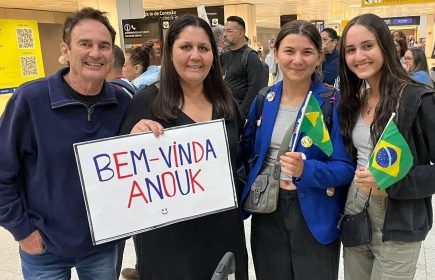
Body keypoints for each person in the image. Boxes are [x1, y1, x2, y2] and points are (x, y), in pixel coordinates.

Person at [0, 7, 131, 279]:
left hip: (102, 246)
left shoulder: (123, 103)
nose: (95, 53)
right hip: (44, 247)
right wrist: (22, 230)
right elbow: (2, 173)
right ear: (66, 50)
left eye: (104, 46)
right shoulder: (30, 101)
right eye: (85, 44)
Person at [119, 14, 248, 280]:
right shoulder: (147, 103)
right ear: (170, 52)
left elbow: (244, 152)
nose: (195, 56)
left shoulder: (225, 102)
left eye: (203, 48)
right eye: (186, 47)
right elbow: (123, 179)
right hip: (168, 238)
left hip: (221, 229)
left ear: (214, 54)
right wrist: (131, 141)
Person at [240, 20, 355, 280]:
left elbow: (346, 167)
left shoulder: (332, 103)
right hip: (268, 210)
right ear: (275, 52)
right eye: (289, 51)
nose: (297, 60)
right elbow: (245, 153)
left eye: (307, 52)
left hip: (314, 212)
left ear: (319, 57)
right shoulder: (264, 99)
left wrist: (306, 169)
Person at [338, 13, 435, 280]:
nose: (359, 56)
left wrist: (393, 181)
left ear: (385, 46)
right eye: (350, 50)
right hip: (356, 207)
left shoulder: (418, 99)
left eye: (367, 46)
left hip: (400, 217)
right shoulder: (357, 99)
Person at [221, 16, 264, 117]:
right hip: (226, 111)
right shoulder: (225, 56)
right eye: (224, 31)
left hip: (240, 114)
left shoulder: (250, 57)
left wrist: (241, 114)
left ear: (241, 33)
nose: (225, 35)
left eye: (229, 31)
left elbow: (254, 88)